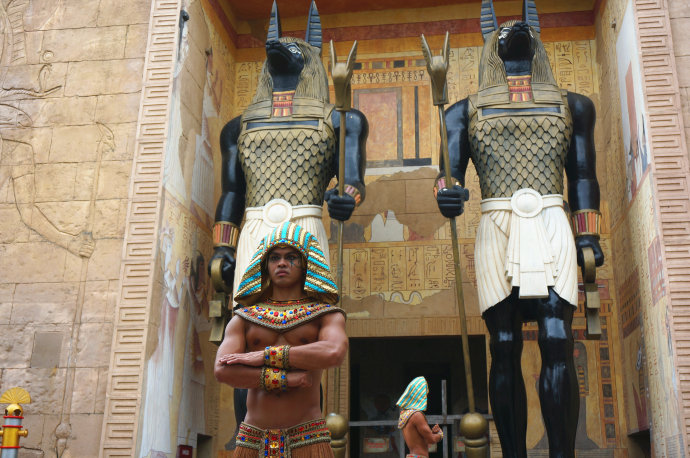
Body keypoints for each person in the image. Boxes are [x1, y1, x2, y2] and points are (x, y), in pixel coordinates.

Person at [434, 1, 603, 457]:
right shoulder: (462, 113)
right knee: (504, 343)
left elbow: (582, 176)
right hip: (497, 223)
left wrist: (588, 234)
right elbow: (448, 173)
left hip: (551, 218)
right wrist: (447, 192)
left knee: (557, 339)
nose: (513, 29)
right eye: (503, 28)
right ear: (491, 44)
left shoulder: (573, 106)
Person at [214, 222, 347, 457]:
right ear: (265, 265)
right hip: (252, 439)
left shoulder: (326, 315)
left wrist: (264, 356)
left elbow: (333, 352)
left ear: (305, 263)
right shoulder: (244, 318)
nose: (282, 263)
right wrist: (286, 379)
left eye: (291, 257)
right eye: (275, 258)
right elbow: (223, 369)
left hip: (308, 437)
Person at [397, 377, 443, 458]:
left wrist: (432, 433)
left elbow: (419, 439)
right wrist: (440, 434)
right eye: (424, 394)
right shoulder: (416, 415)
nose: (425, 397)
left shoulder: (405, 414)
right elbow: (431, 439)